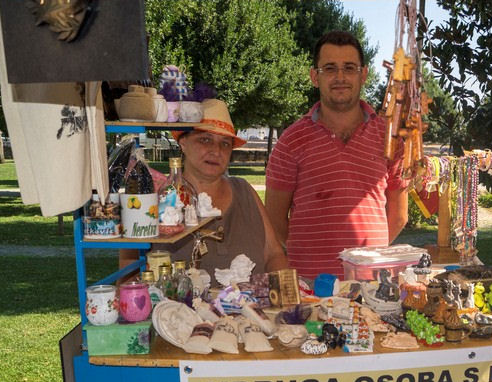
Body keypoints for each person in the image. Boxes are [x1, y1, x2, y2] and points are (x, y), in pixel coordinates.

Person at [265, 30, 408, 279]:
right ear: (315, 76)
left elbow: (399, 216)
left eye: (349, 68)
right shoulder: (291, 141)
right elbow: (274, 219)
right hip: (310, 288)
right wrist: (309, 257)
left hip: (372, 287)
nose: (340, 77)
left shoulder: (390, 139)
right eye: (330, 68)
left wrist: (367, 260)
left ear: (363, 74)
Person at [125, 99, 287, 275]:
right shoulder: (154, 199)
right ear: (183, 142)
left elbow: (274, 254)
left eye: (225, 143)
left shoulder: (244, 191)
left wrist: (284, 288)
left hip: (253, 294)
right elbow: (128, 274)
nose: (216, 151)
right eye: (205, 139)